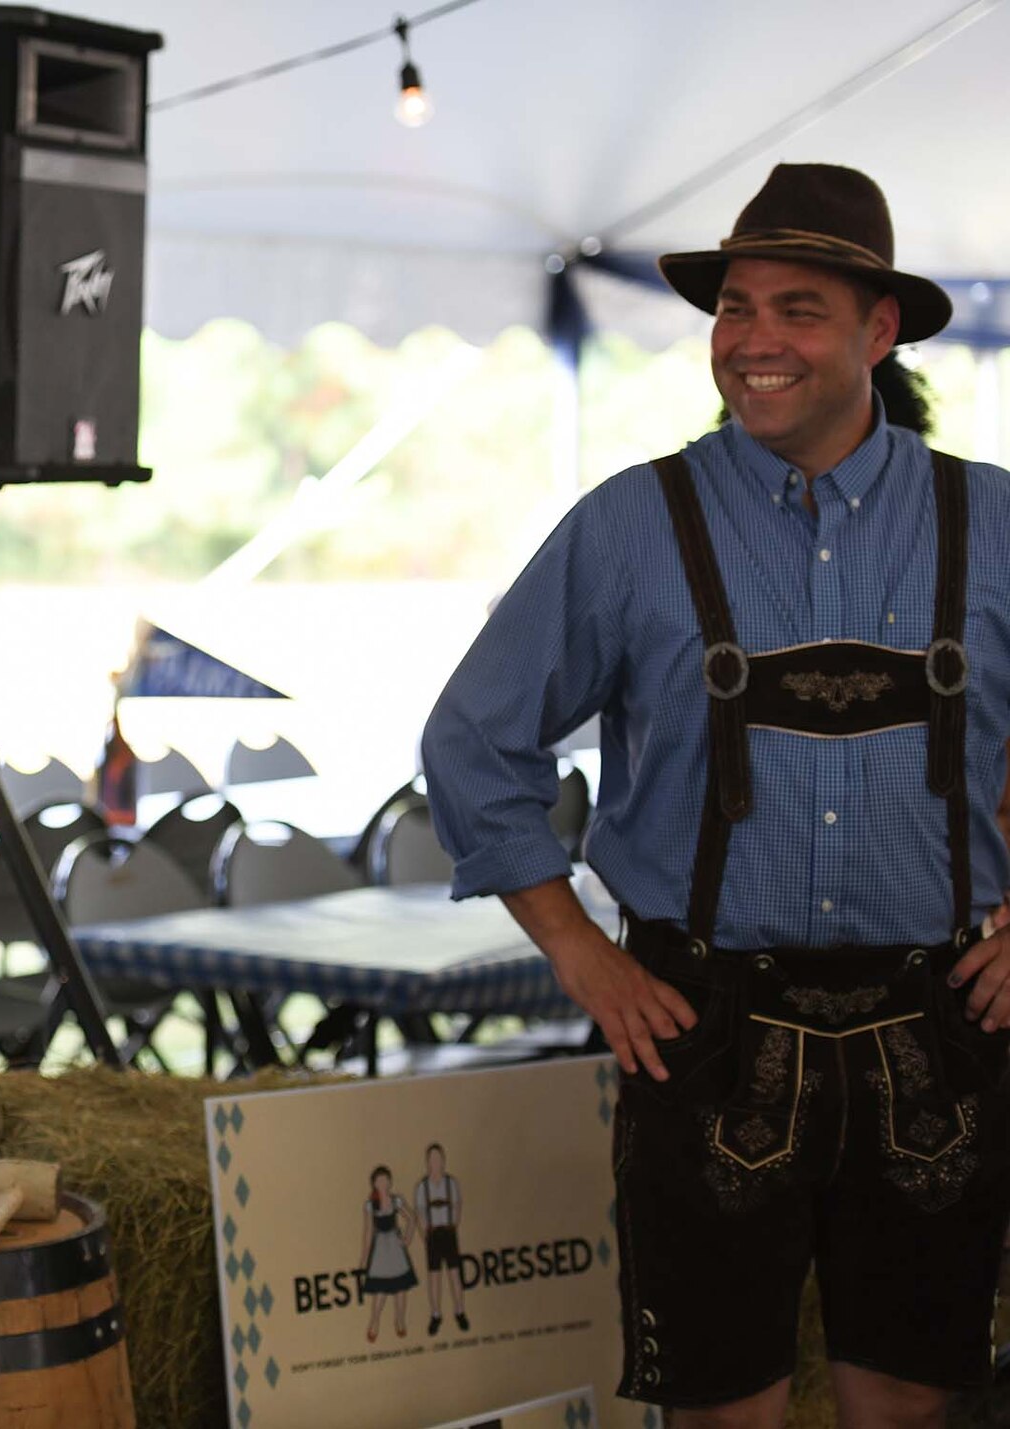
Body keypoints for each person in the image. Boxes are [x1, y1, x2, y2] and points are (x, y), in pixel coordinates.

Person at [421, 163, 1010, 1428]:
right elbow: (474, 740)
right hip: (704, 1027)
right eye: (732, 308)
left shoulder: (991, 520)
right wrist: (578, 952)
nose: (750, 342)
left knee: (907, 1406)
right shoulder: (633, 525)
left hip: (938, 1029)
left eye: (795, 309)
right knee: (720, 1414)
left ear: (876, 329)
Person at [412, 1142, 466, 1336]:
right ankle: (436, 1314)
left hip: (449, 1233)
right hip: (433, 1235)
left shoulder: (452, 1183)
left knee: (454, 1274)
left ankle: (460, 1311)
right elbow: (419, 1213)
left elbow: (458, 1205)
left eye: (438, 1158)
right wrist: (424, 1235)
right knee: (434, 1277)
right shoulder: (421, 1187)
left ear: (443, 1161)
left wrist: (455, 1225)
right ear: (427, 1162)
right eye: (432, 1159)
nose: (435, 1162)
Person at [359, 1165, 418, 1343]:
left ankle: (400, 1320)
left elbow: (412, 1218)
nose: (383, 1183)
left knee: (401, 1288)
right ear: (374, 1184)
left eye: (386, 1180)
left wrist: (407, 1239)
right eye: (379, 1180)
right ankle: (374, 1322)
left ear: (390, 1182)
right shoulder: (370, 1205)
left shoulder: (397, 1200)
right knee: (381, 1290)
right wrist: (364, 1258)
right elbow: (368, 1232)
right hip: (381, 1250)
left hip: (395, 1247)